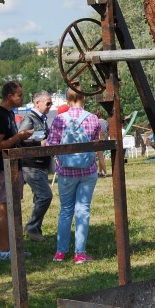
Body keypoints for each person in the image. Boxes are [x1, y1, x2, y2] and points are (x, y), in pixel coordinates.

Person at [47, 86, 100, 264]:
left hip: (66, 172)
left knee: (66, 211)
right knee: (83, 210)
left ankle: (60, 252)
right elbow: (96, 144)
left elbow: (52, 144)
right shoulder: (93, 119)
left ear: (67, 100)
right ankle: (80, 254)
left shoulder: (59, 120)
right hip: (88, 171)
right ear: (84, 98)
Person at [0, 81, 33, 261]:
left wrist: (23, 140)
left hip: (13, 167)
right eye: (19, 95)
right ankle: (4, 250)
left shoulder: (8, 114)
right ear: (9, 96)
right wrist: (18, 136)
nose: (21, 97)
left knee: (13, 207)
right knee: (4, 208)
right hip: (2, 168)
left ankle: (14, 248)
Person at [18, 90, 53, 242]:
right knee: (46, 196)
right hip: (31, 165)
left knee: (39, 197)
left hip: (40, 164)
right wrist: (39, 143)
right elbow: (20, 138)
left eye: (51, 103)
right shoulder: (30, 118)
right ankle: (32, 227)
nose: (50, 106)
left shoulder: (41, 118)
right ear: (37, 103)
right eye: (48, 102)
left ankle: (35, 231)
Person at [95, 109, 109, 177]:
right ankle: (100, 172)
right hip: (105, 140)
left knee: (100, 157)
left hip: (99, 140)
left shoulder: (96, 122)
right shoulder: (106, 122)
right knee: (101, 155)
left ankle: (106, 172)